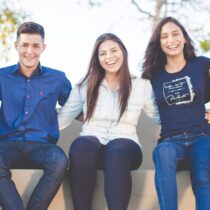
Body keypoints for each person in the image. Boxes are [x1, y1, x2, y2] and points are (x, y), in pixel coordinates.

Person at [58, 33, 159, 210]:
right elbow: (62, 118)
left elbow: (161, 116)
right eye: (102, 53)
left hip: (126, 149)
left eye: (113, 50)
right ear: (97, 59)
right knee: (81, 145)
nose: (109, 57)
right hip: (91, 150)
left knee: (117, 148)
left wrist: (197, 115)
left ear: (123, 52)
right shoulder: (84, 85)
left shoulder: (142, 86)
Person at [0, 22, 71, 210]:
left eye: (35, 46)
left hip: (43, 147)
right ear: (16, 46)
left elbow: (75, 108)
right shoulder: (2, 76)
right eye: (24, 45)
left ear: (43, 48)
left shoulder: (58, 79)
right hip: (8, 145)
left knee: (59, 161)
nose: (29, 51)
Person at [142, 16, 210, 210]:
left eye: (175, 34)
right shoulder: (152, 75)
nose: (170, 40)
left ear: (184, 38)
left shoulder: (201, 64)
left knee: (203, 177)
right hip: (171, 140)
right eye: (164, 36)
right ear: (159, 43)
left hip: (202, 137)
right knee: (162, 153)